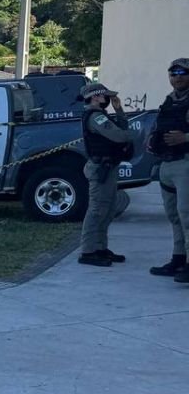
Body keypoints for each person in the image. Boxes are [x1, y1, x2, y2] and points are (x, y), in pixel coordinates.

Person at [77, 82, 133, 267]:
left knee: (107, 210)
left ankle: (100, 248)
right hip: (100, 168)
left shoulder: (101, 116)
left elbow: (121, 131)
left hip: (108, 167)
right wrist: (120, 119)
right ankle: (88, 251)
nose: (107, 99)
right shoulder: (96, 117)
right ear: (95, 97)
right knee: (96, 210)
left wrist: (119, 110)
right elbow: (120, 136)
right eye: (105, 96)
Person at [148, 57, 189, 281]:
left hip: (185, 163)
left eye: (183, 72)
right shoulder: (170, 100)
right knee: (174, 216)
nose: (177, 77)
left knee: (187, 215)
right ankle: (179, 258)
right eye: (173, 73)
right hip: (167, 164)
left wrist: (185, 137)